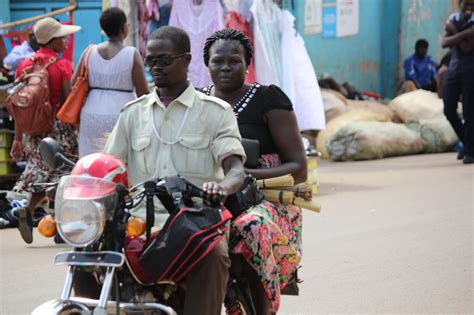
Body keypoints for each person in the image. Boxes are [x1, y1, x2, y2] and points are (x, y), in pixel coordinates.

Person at [103, 26, 246, 315]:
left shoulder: (216, 112)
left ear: (186, 60)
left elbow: (235, 170)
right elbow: (108, 167)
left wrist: (222, 187)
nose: (156, 67)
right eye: (150, 61)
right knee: (87, 251)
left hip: (196, 221)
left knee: (214, 255)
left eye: (164, 60)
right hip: (139, 221)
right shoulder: (132, 113)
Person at [202, 28, 307, 314]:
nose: (225, 67)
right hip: (209, 195)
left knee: (251, 226)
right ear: (206, 64)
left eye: (234, 60)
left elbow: (299, 168)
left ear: (247, 64)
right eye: (217, 61)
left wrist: (244, 175)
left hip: (266, 199)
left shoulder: (268, 99)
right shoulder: (197, 101)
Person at [11, 17, 81, 244]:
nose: (66, 40)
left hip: (34, 130)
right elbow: (69, 100)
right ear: (52, 42)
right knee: (63, 176)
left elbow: (21, 106)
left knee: (43, 177)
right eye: (62, 37)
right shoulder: (62, 66)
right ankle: (60, 226)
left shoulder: (25, 64)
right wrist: (78, 127)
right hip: (59, 128)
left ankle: (29, 210)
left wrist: (18, 138)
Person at [73, 7, 149, 157]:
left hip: (91, 114)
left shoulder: (89, 52)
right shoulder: (131, 54)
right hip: (121, 113)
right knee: (118, 162)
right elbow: (143, 93)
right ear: (123, 28)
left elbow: (72, 83)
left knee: (91, 161)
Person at [441, 0, 474, 164]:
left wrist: (454, 32)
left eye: (472, 5)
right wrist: (466, 34)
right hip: (454, 70)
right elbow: (444, 43)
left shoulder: (453, 23)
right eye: (466, 4)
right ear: (459, 4)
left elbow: (469, 49)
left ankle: (470, 151)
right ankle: (469, 144)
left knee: (469, 111)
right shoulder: (453, 18)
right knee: (448, 109)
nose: (469, 8)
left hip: (471, 70)